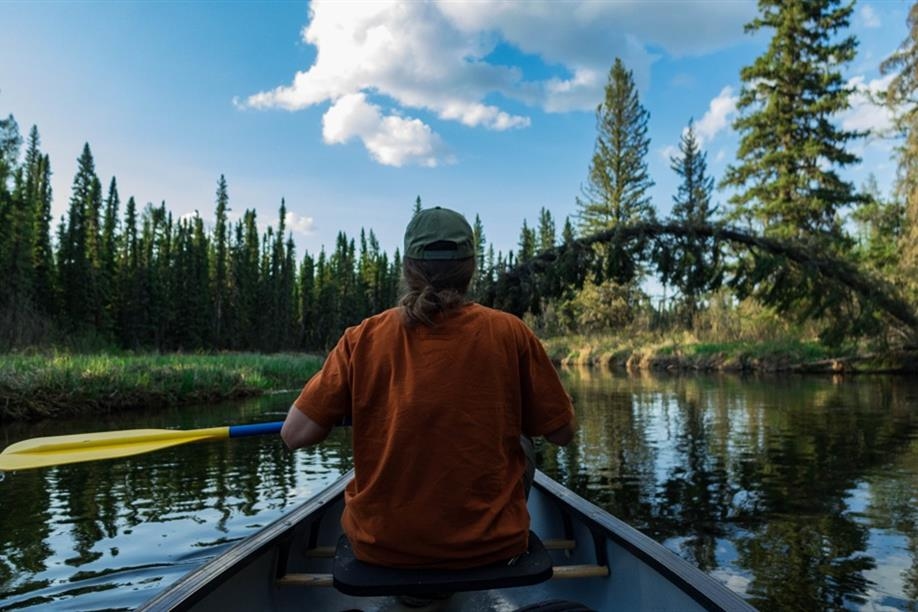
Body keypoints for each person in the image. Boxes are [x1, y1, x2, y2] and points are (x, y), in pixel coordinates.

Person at [281, 206, 575, 571]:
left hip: (381, 549)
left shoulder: (363, 337)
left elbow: (294, 434)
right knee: (523, 445)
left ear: (407, 268)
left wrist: (361, 405)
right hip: (493, 549)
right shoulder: (510, 332)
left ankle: (416, 580)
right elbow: (562, 432)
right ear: (470, 268)